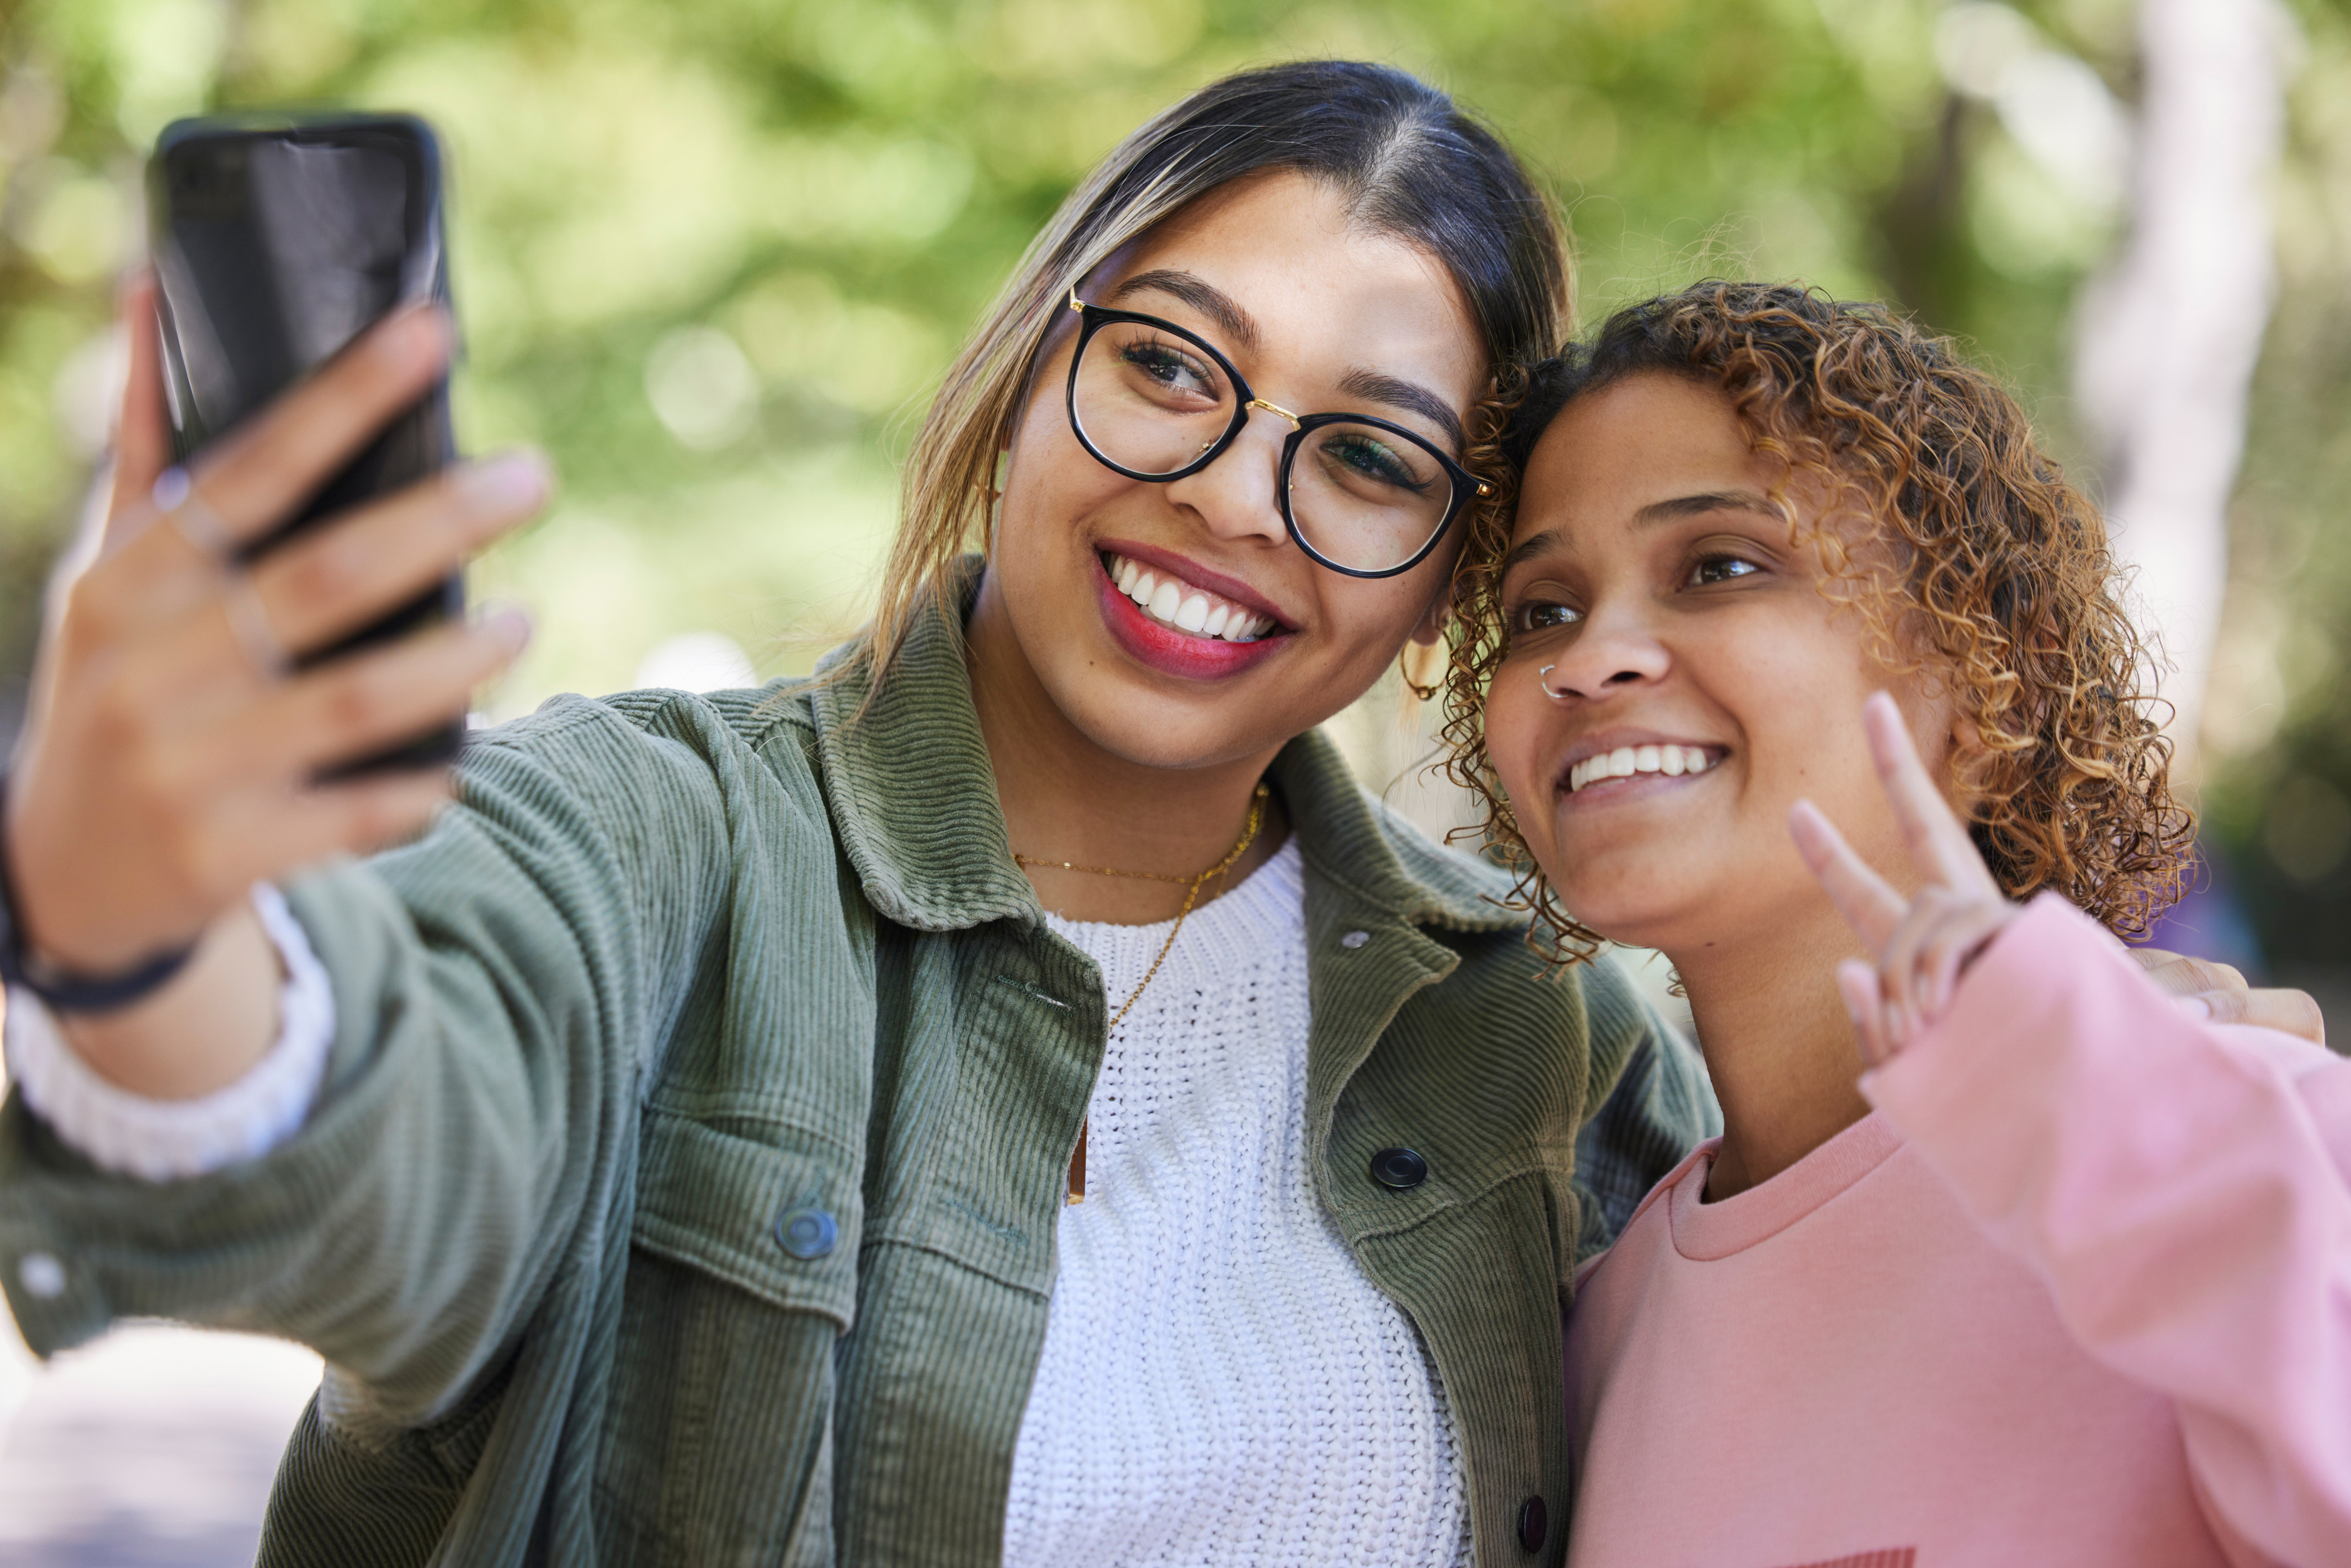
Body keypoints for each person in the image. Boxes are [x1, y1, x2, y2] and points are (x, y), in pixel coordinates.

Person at [0, 62, 1728, 1567]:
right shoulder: (652, 838)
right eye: (1170, 365)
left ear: (1445, 585)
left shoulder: (1533, 1030)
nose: (1225, 493)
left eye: (1369, 458)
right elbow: (377, 1158)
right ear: (1025, 366)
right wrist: (140, 934)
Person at [1457, 282, 2350, 1565]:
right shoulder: (1596, 1324)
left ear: (1991, 683)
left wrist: (2132, 1114)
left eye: (1718, 565)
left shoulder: (2261, 1139)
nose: (1588, 656)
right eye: (1541, 605)